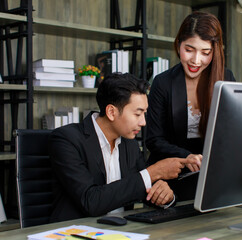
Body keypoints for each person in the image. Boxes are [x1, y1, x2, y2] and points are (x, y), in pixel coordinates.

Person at [48, 73, 198, 222]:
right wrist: (153, 172)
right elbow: (90, 201)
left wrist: (165, 196)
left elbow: (142, 187)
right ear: (111, 112)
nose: (143, 122)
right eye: (138, 114)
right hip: (74, 232)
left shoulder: (129, 142)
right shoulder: (66, 140)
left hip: (122, 230)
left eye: (144, 114)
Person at [146, 11, 236, 200]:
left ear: (215, 51)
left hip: (212, 178)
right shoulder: (163, 83)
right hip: (171, 181)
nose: (196, 60)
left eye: (205, 53)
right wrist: (187, 156)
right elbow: (154, 139)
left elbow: (230, 132)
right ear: (178, 43)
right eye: (189, 49)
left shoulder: (226, 78)